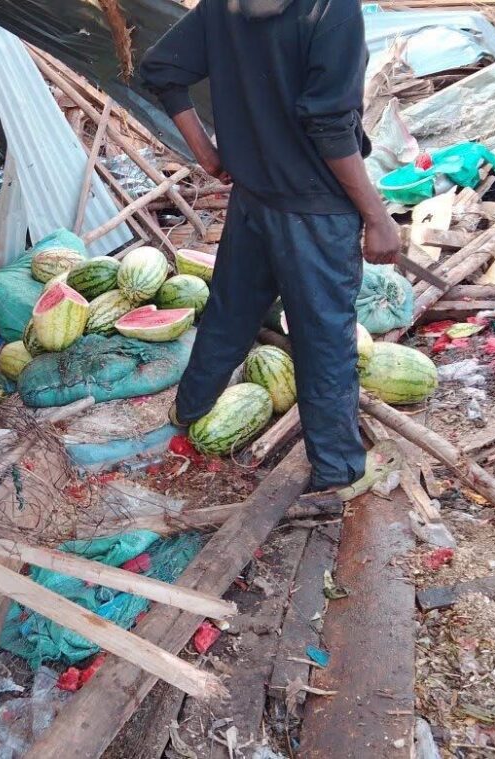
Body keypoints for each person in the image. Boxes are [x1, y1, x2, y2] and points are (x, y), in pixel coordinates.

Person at [140, 0, 402, 495]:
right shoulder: (331, 9)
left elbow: (162, 69)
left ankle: (188, 411)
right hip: (316, 212)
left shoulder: (226, 5)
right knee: (324, 341)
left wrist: (209, 154)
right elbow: (328, 124)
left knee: (229, 314)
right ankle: (338, 472)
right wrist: (376, 215)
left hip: (253, 201)